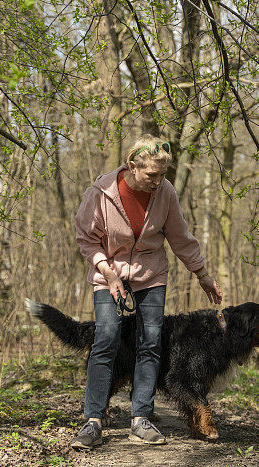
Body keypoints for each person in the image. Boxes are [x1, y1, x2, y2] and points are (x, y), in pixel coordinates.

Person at [71, 135, 223, 448]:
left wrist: (202, 274)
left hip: (151, 275)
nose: (157, 181)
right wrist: (108, 273)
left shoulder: (165, 193)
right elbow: (87, 240)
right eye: (151, 175)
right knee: (106, 340)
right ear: (132, 166)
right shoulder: (101, 193)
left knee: (150, 342)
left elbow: (180, 236)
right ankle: (93, 421)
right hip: (108, 275)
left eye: (162, 175)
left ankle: (141, 418)